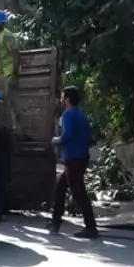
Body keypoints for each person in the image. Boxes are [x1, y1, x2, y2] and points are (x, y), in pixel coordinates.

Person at [49, 86, 98, 238]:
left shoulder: (68, 115)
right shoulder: (81, 115)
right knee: (60, 186)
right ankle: (55, 223)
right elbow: (89, 137)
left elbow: (67, 135)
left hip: (73, 159)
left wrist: (56, 140)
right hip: (81, 157)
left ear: (68, 99)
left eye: (63, 97)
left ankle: (91, 227)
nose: (61, 100)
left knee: (78, 192)